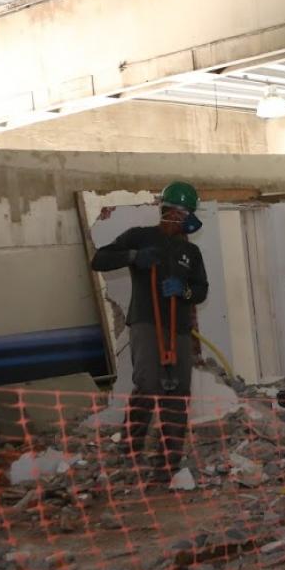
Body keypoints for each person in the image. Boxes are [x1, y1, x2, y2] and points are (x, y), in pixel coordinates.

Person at [90, 181, 209, 479]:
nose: (186, 221)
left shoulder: (190, 252)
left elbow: (201, 290)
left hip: (178, 328)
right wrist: (133, 257)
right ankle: (130, 450)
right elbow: (99, 259)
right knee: (149, 385)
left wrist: (184, 292)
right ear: (169, 211)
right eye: (183, 214)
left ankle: (167, 464)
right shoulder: (140, 237)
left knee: (179, 392)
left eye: (189, 216)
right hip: (145, 320)